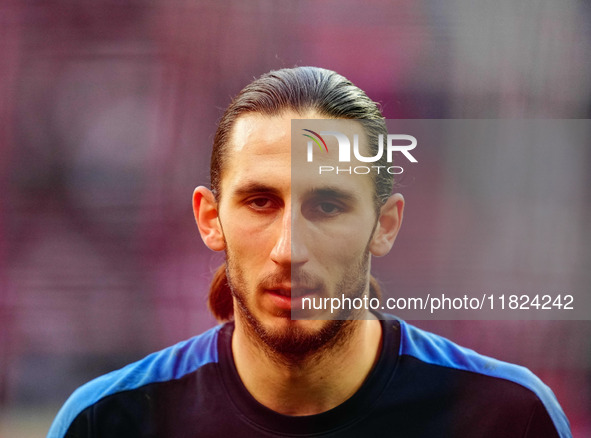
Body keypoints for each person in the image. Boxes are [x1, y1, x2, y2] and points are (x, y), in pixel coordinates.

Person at [48, 67, 571, 437]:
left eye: (326, 206)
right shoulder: (108, 421)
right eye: (260, 201)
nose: (289, 250)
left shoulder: (508, 417)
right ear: (211, 219)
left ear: (384, 226)